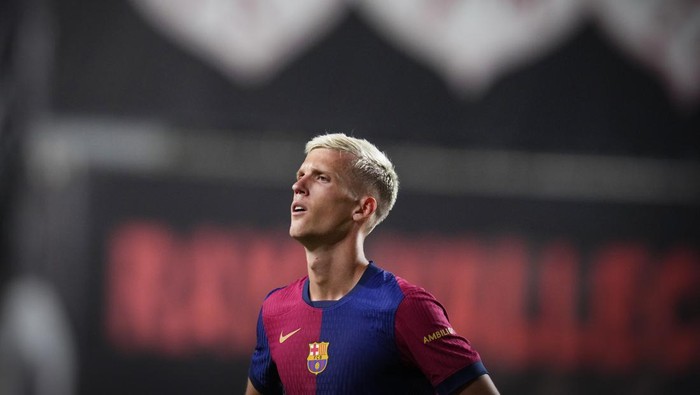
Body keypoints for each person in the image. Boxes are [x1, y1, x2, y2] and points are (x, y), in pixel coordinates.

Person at [245, 133, 499, 394]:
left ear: (363, 209)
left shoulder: (405, 307)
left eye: (321, 177)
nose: (298, 186)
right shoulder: (274, 311)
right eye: (300, 175)